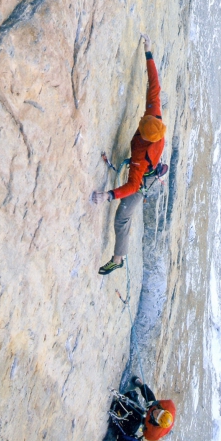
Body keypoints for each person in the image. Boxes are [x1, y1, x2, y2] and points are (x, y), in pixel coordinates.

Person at [92, 33, 166, 274]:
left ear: (146, 137)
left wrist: (108, 195)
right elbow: (154, 86)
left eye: (143, 124)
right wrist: (148, 50)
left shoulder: (141, 158)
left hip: (144, 180)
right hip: (146, 171)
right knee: (125, 211)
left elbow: (133, 186)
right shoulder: (154, 119)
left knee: (123, 218)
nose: (141, 119)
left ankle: (118, 259)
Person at [109, 376, 176, 441]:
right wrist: (153, 404)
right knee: (150, 398)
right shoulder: (169, 406)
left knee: (136, 421)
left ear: (157, 422)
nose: (156, 412)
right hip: (155, 408)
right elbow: (159, 403)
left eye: (157, 415)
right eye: (160, 412)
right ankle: (140, 385)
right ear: (164, 410)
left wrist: (144, 426)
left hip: (148, 423)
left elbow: (146, 434)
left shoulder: (153, 434)